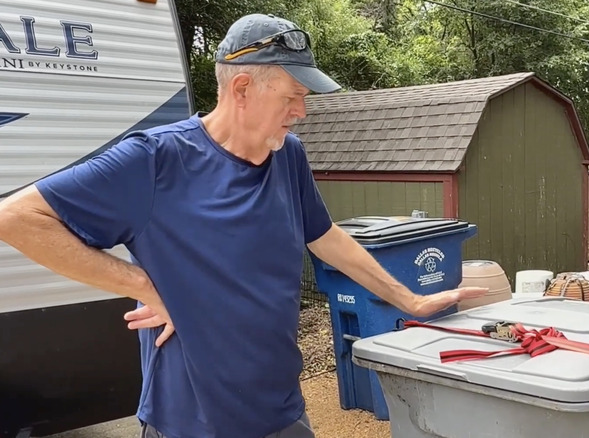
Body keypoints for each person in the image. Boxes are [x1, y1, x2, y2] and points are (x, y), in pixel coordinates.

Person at [0, 13, 488, 438]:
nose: (302, 112)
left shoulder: (287, 155)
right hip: (192, 423)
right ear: (241, 88)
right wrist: (144, 284)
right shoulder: (157, 159)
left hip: (281, 410)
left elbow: (325, 237)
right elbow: (17, 217)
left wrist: (412, 300)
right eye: (293, 97)